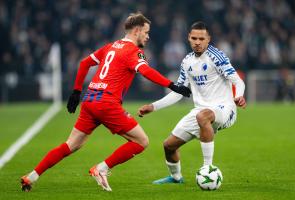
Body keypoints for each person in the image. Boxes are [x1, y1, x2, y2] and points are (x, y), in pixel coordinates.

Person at [20, 12, 191, 192]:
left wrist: (76, 92)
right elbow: (146, 72)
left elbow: (84, 63)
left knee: (71, 144)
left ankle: (31, 176)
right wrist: (172, 85)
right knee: (141, 141)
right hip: (106, 103)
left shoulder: (111, 47)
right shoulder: (134, 51)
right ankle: (102, 169)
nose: (148, 36)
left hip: (90, 100)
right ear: (137, 30)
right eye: (146, 32)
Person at [138, 21, 246, 184]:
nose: (197, 42)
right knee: (169, 146)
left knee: (203, 116)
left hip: (225, 108)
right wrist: (153, 106)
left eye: (201, 39)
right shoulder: (187, 62)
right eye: (194, 38)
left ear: (208, 39)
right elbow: (178, 93)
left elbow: (238, 81)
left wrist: (239, 95)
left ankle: (207, 169)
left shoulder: (217, 57)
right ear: (188, 38)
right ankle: (176, 178)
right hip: (201, 112)